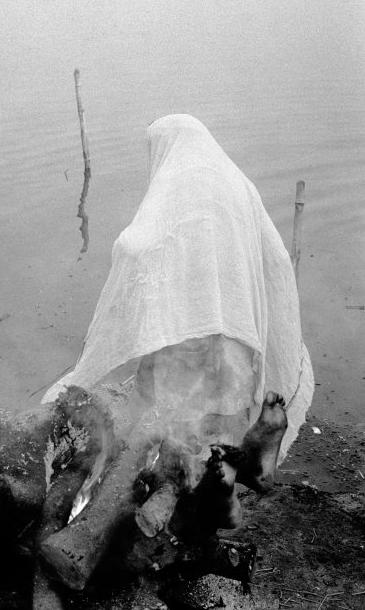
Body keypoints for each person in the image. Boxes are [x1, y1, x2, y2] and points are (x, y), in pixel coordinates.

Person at [42, 114, 314, 524]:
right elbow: (275, 258)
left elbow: (138, 247)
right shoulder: (236, 181)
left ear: (164, 147)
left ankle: (178, 485)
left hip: (190, 343)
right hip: (236, 340)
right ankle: (224, 475)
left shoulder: (176, 181)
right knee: (218, 422)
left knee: (170, 417)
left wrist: (127, 254)